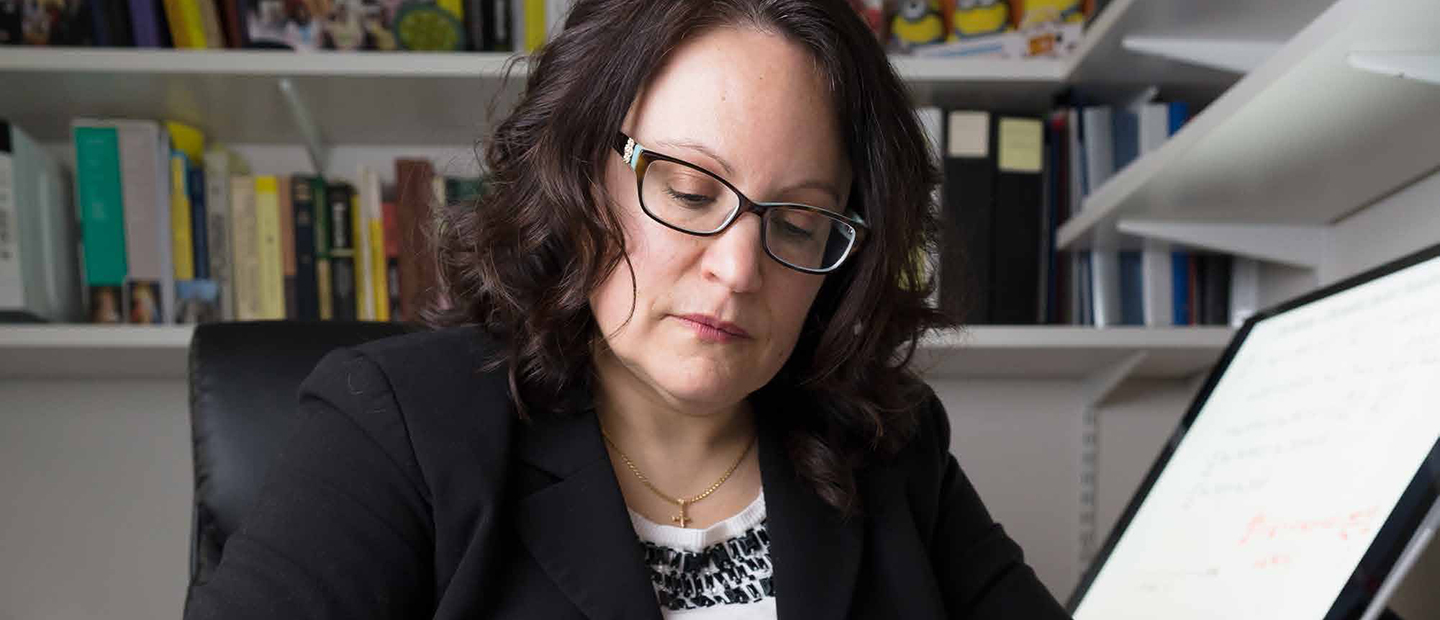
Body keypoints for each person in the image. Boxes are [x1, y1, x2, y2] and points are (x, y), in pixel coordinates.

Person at [183, 1, 1072, 618]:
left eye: (797, 222)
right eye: (687, 194)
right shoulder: (397, 422)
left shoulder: (892, 444)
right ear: (581, 178)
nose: (735, 270)